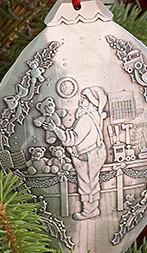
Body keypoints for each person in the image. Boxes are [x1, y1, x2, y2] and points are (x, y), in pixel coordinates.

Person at [43, 86, 109, 220]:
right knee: (92, 181)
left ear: (91, 102)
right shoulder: (95, 115)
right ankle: (93, 209)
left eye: (84, 99)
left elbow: (71, 139)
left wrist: (55, 129)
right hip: (96, 152)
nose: (80, 101)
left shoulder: (86, 119)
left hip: (89, 155)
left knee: (87, 182)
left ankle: (89, 211)